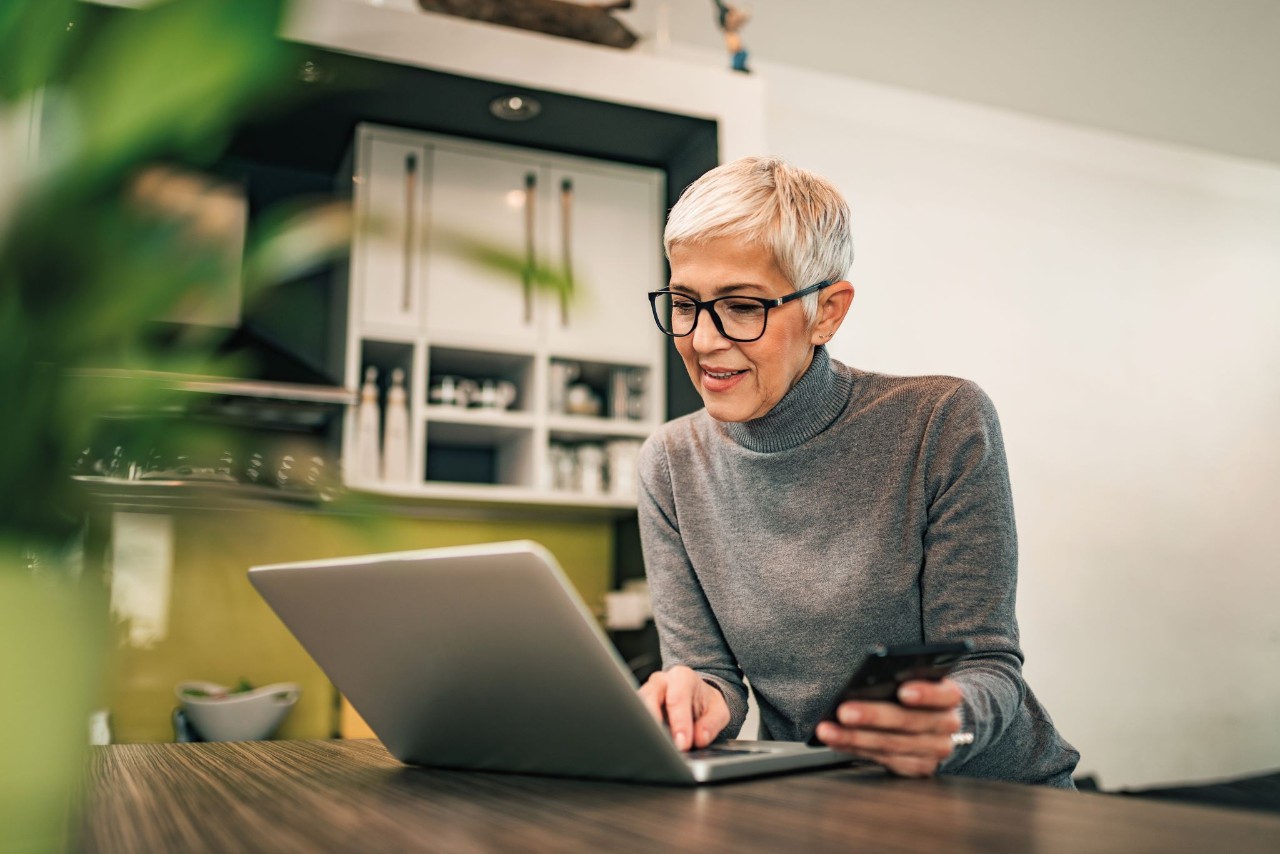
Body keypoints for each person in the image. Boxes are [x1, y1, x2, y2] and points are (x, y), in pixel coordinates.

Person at [635, 156, 1080, 787]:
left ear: (828, 311)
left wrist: (947, 725)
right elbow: (712, 677)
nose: (703, 341)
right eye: (684, 302)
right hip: (820, 798)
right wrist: (697, 702)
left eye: (740, 306)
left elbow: (987, 665)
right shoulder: (671, 464)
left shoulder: (941, 421)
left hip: (991, 796)